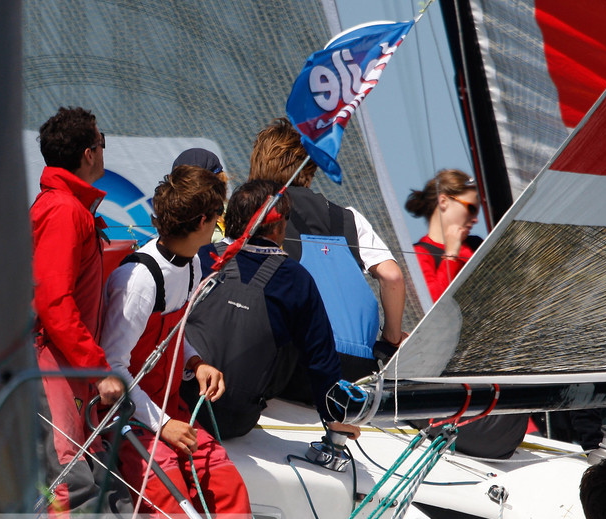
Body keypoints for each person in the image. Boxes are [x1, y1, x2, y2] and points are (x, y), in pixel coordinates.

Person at [101, 164, 252, 519]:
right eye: (217, 217)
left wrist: (195, 361)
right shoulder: (137, 282)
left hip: (171, 411)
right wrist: (163, 424)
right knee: (166, 485)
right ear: (202, 221)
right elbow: (112, 370)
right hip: (130, 420)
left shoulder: (193, 264)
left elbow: (169, 337)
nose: (218, 225)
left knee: (224, 477)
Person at [186, 180, 362, 439]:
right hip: (234, 420)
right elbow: (320, 359)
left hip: (180, 404)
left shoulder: (199, 257)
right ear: (279, 227)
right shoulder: (296, 279)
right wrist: (333, 415)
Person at [248, 118, 406, 378]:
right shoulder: (347, 218)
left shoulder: (256, 214)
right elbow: (393, 276)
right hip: (356, 368)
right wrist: (392, 336)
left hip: (296, 367)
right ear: (310, 171)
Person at [31, 106, 124, 514]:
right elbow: (52, 300)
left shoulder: (69, 208)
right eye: (102, 143)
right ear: (89, 153)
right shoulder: (66, 211)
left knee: (95, 480)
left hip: (68, 372)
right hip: (53, 368)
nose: (103, 151)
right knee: (72, 485)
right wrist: (98, 368)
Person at [406, 168, 482, 302]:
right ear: (443, 202)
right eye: (471, 208)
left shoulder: (476, 245)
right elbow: (433, 303)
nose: (476, 219)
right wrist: (451, 254)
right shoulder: (418, 254)